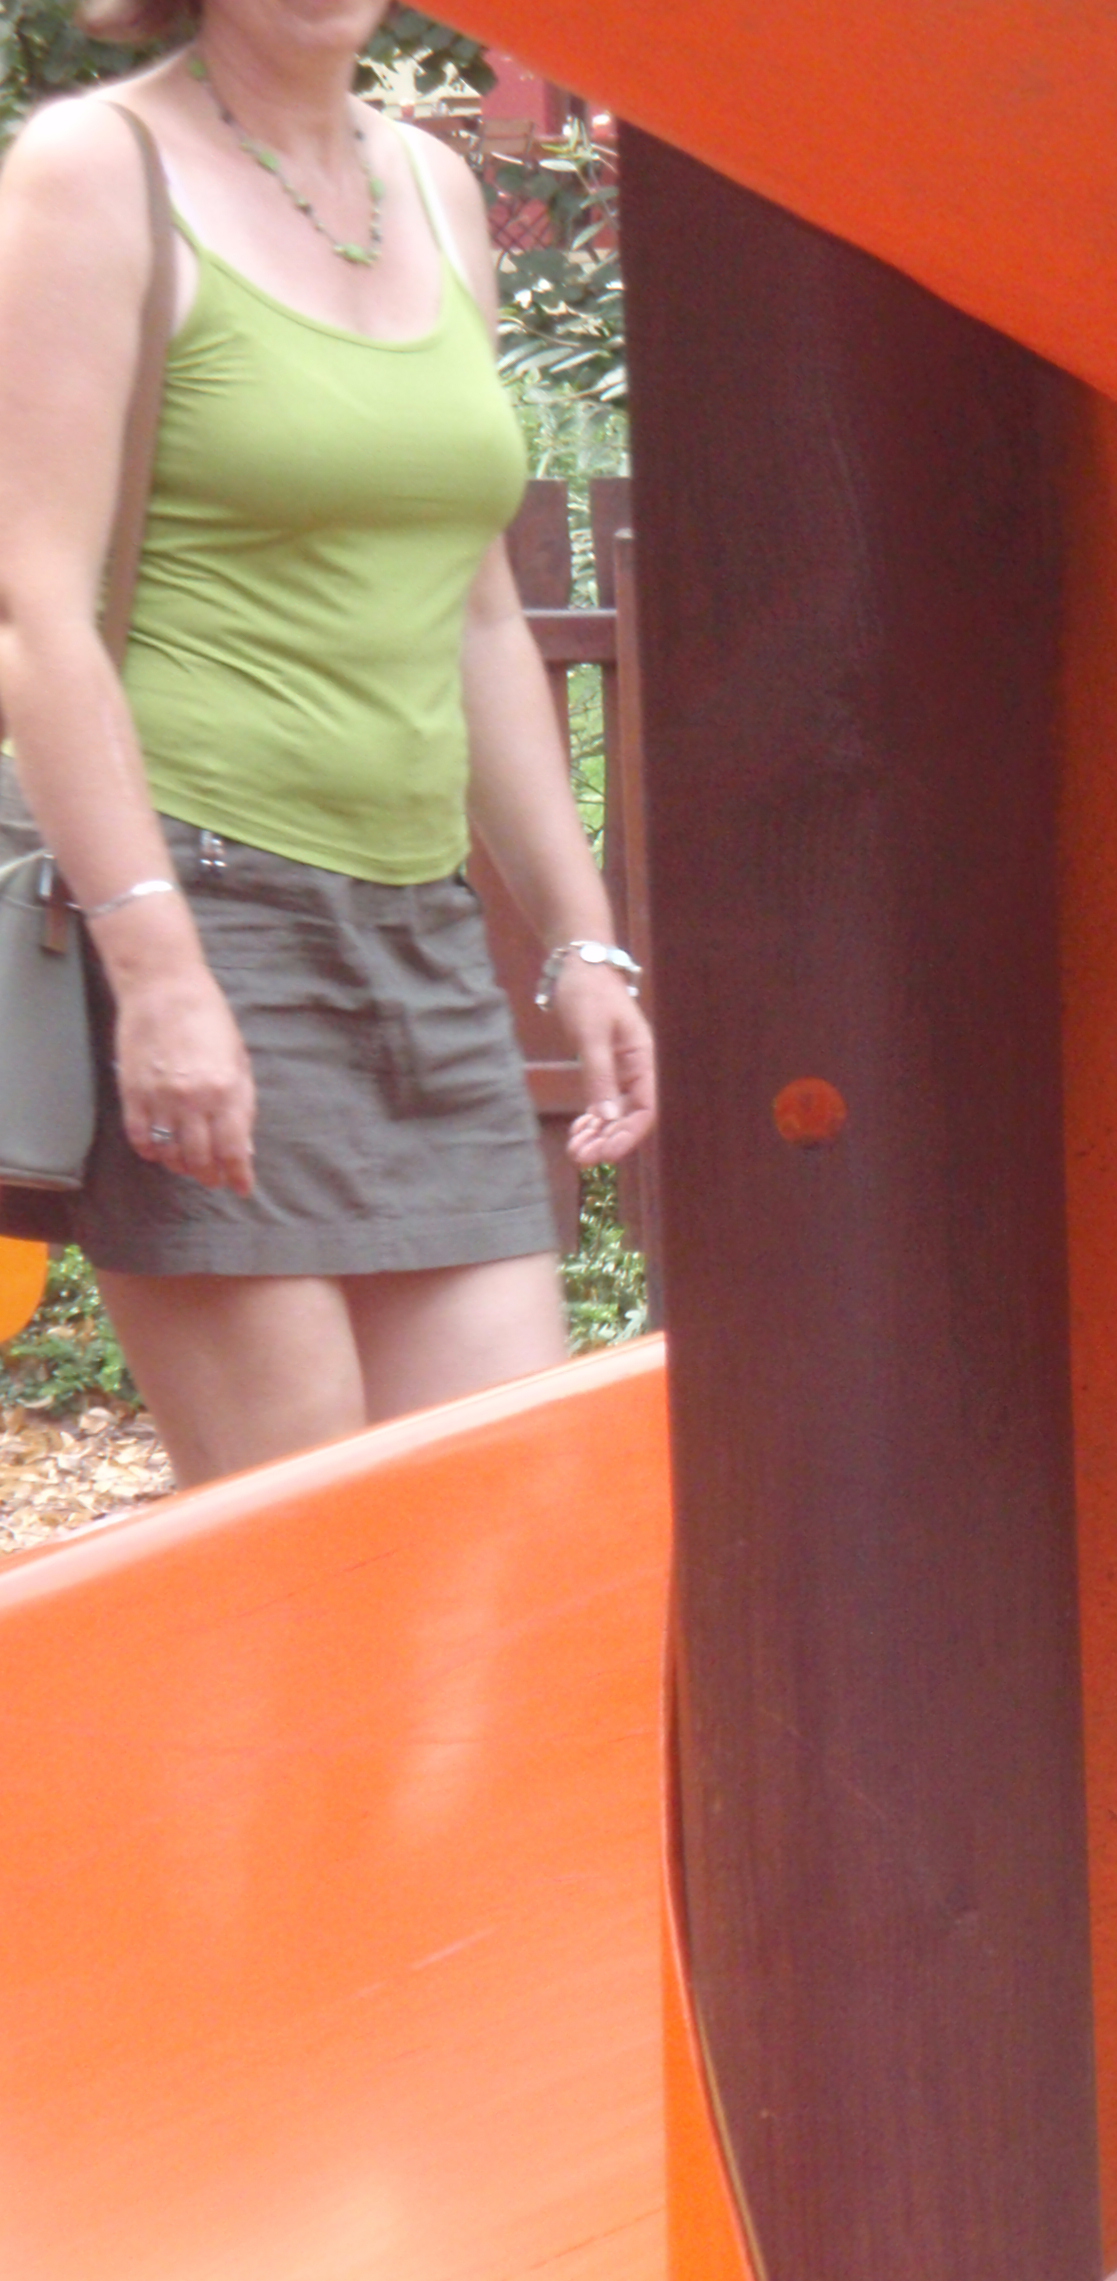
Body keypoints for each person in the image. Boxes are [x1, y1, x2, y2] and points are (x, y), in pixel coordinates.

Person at [0, 0, 653, 1486]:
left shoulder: (433, 183)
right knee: (297, 1544)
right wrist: (158, 972)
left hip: (420, 932)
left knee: (494, 1515)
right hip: (202, 904)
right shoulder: (95, 169)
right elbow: (34, 610)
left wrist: (582, 941)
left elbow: (478, 613)